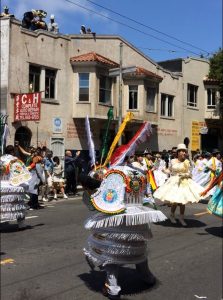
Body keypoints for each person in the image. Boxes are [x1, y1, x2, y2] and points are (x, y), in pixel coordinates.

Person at [83, 162, 167, 299]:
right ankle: (147, 277)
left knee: (111, 254)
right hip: (135, 216)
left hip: (117, 217)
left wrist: (91, 192)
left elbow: (106, 199)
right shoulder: (137, 173)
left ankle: (113, 288)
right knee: (137, 248)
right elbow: (144, 197)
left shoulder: (114, 174)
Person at [153, 143, 205, 226]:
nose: (184, 153)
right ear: (178, 153)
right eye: (182, 151)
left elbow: (190, 173)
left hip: (184, 182)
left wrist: (184, 175)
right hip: (174, 182)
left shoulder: (187, 162)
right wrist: (163, 170)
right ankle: (172, 215)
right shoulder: (173, 161)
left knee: (182, 202)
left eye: (185, 151)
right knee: (175, 201)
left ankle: (181, 218)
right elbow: (169, 171)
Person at [0, 145, 31, 229]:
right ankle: (21, 224)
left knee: (3, 206)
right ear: (12, 151)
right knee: (19, 205)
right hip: (13, 186)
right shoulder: (15, 160)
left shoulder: (1, 159)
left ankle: (3, 223)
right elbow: (21, 175)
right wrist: (25, 185)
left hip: (2, 185)